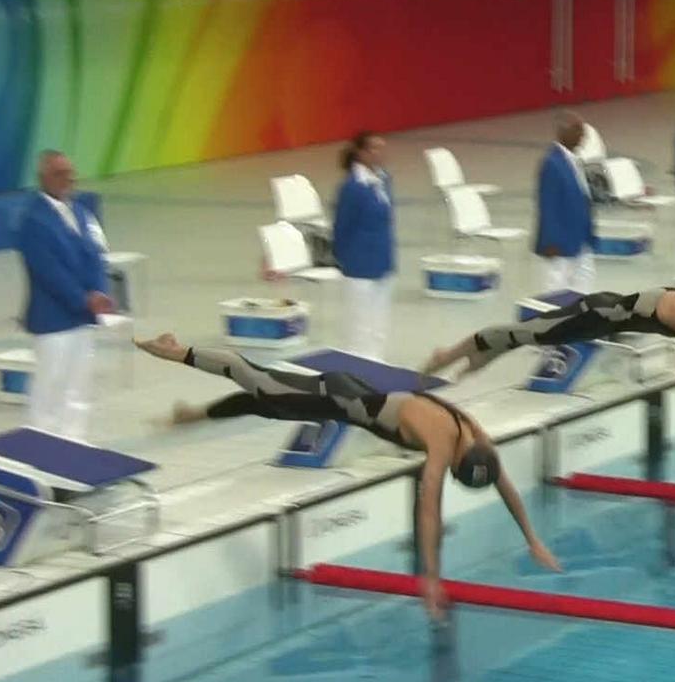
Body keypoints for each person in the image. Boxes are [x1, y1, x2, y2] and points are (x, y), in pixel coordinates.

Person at [131, 333, 557, 621]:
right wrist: (430, 578)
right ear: (457, 462)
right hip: (340, 398)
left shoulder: (477, 437)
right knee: (257, 382)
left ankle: (191, 414)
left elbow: (505, 487)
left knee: (266, 403)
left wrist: (532, 538)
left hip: (354, 392)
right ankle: (177, 350)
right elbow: (429, 509)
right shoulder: (444, 443)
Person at [425, 288, 675, 469]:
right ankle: (449, 354)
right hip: (596, 316)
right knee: (527, 333)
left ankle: (480, 355)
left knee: (523, 337)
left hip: (608, 310)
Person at [18, 150, 115, 439]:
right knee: (51, 384)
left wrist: (100, 292)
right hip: (53, 320)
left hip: (83, 317)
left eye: (70, 173)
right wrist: (83, 299)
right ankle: (41, 445)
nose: (68, 180)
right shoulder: (33, 220)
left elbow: (98, 255)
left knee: (78, 385)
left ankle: (75, 442)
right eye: (60, 174)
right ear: (43, 178)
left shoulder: (83, 213)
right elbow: (48, 271)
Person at [333, 131, 395, 360]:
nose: (381, 153)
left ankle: (376, 361)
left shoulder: (384, 179)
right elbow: (342, 226)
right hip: (358, 265)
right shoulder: (352, 187)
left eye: (382, 147)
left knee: (379, 322)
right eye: (375, 148)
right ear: (361, 153)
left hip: (382, 261)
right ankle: (358, 366)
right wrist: (344, 258)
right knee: (358, 325)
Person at [535, 113, 597, 295]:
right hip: (560, 243)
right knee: (556, 289)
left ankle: (579, 321)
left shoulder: (575, 160)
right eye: (578, 131)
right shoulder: (551, 164)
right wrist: (551, 241)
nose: (583, 136)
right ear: (564, 132)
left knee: (583, 285)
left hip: (581, 241)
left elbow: (583, 197)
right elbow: (548, 206)